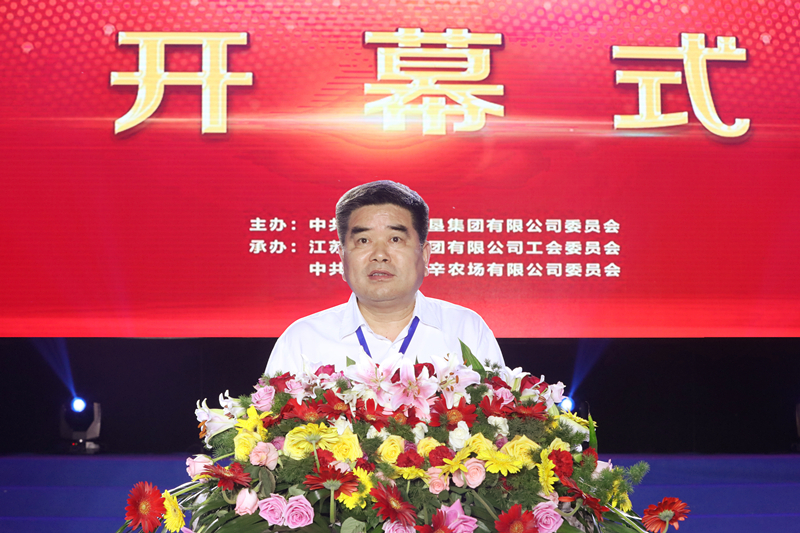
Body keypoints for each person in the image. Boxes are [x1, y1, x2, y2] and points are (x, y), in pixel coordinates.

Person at [265, 181, 504, 375]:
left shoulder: (466, 329)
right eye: (363, 240)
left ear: (425, 256)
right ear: (342, 258)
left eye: (395, 239)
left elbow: (500, 416)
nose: (379, 255)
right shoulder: (302, 340)